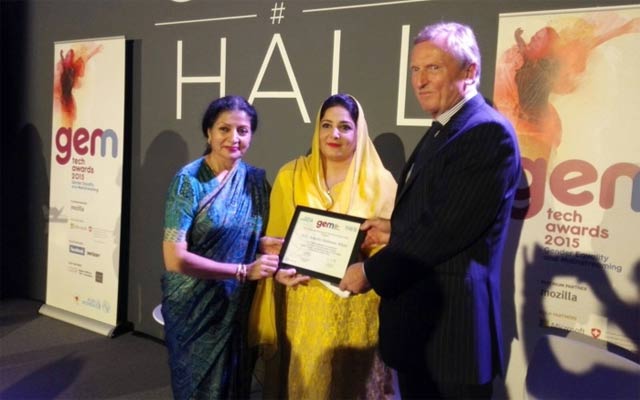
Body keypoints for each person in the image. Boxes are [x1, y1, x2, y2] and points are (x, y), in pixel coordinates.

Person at [340, 22, 521, 399]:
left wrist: (371, 272)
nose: (420, 81)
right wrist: (393, 227)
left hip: (452, 338)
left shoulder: (486, 133)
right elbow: (443, 213)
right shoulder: (446, 126)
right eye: (415, 70)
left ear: (470, 71)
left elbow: (442, 232)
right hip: (422, 333)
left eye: (433, 68)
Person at [251, 94, 399, 399]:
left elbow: (389, 253)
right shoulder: (290, 176)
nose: (334, 134)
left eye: (345, 127)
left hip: (355, 312)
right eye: (326, 125)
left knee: (350, 385)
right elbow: (275, 243)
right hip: (300, 305)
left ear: (359, 133)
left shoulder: (381, 182)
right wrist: (278, 272)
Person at [161, 95, 280, 399]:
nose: (234, 138)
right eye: (224, 129)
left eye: (243, 130)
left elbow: (253, 236)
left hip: (237, 306)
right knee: (198, 388)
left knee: (235, 384)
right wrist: (241, 271)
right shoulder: (188, 182)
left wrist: (276, 247)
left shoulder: (254, 180)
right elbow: (174, 258)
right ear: (208, 133)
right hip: (194, 306)